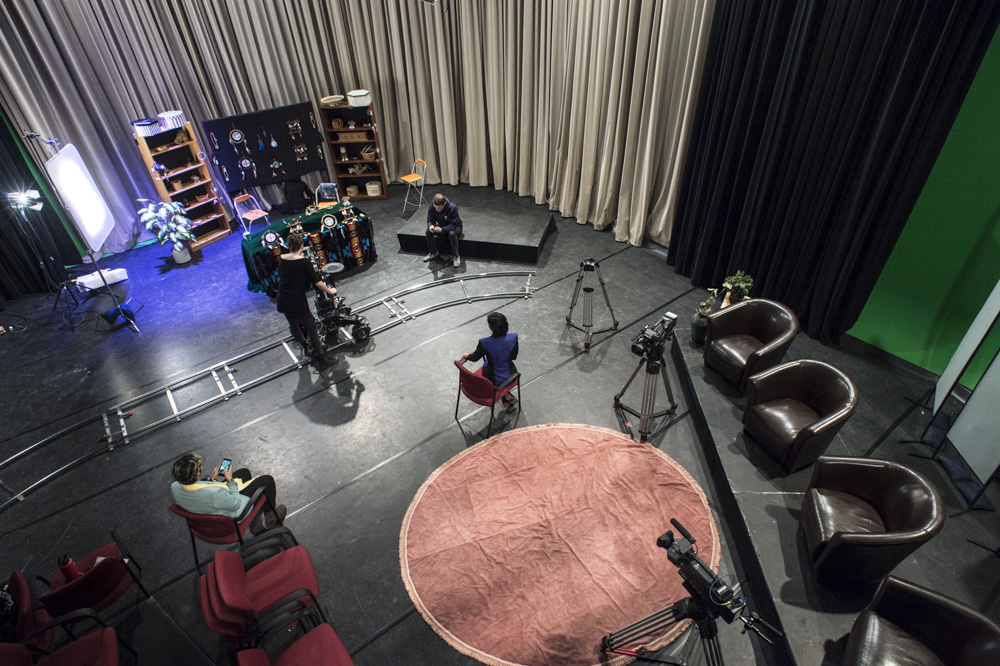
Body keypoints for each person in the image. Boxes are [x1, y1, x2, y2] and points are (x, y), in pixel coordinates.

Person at [170, 453, 287, 530]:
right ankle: (271, 517)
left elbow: (199, 488)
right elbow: (235, 503)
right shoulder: (214, 494)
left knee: (243, 473)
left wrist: (212, 479)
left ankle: (255, 522)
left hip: (207, 502)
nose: (201, 468)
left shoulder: (175, 486)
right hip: (236, 508)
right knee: (267, 481)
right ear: (196, 474)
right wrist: (230, 480)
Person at [276, 233, 337, 366]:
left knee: (294, 324)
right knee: (311, 328)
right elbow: (317, 282)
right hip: (297, 300)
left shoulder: (282, 258)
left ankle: (306, 347)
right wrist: (330, 290)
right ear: (301, 246)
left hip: (283, 297)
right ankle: (321, 359)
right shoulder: (304, 261)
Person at [462, 312, 519, 411]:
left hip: (492, 378)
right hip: (511, 375)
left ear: (489, 326)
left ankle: (506, 397)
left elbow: (474, 358)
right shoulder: (513, 337)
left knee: (487, 364)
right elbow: (514, 357)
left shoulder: (484, 342)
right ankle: (506, 397)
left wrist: (467, 356)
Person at [424, 193, 463, 268]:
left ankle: (456, 256)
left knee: (451, 234)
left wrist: (442, 229)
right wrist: (431, 226)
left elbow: (453, 224)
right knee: (428, 231)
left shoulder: (452, 207)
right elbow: (430, 219)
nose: (437, 209)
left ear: (444, 203)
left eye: (439, 207)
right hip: (442, 225)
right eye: (435, 207)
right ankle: (433, 252)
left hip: (455, 226)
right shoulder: (432, 207)